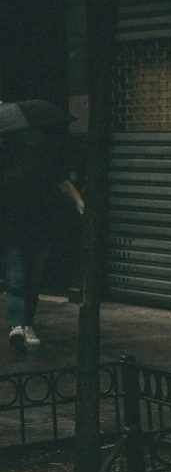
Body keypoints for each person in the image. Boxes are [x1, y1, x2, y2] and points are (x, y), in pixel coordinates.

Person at [0, 101, 83, 357]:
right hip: (11, 230)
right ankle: (18, 327)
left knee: (31, 282)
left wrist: (78, 200)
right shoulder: (4, 159)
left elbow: (61, 181)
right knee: (17, 280)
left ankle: (27, 326)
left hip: (38, 227)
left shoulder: (44, 159)